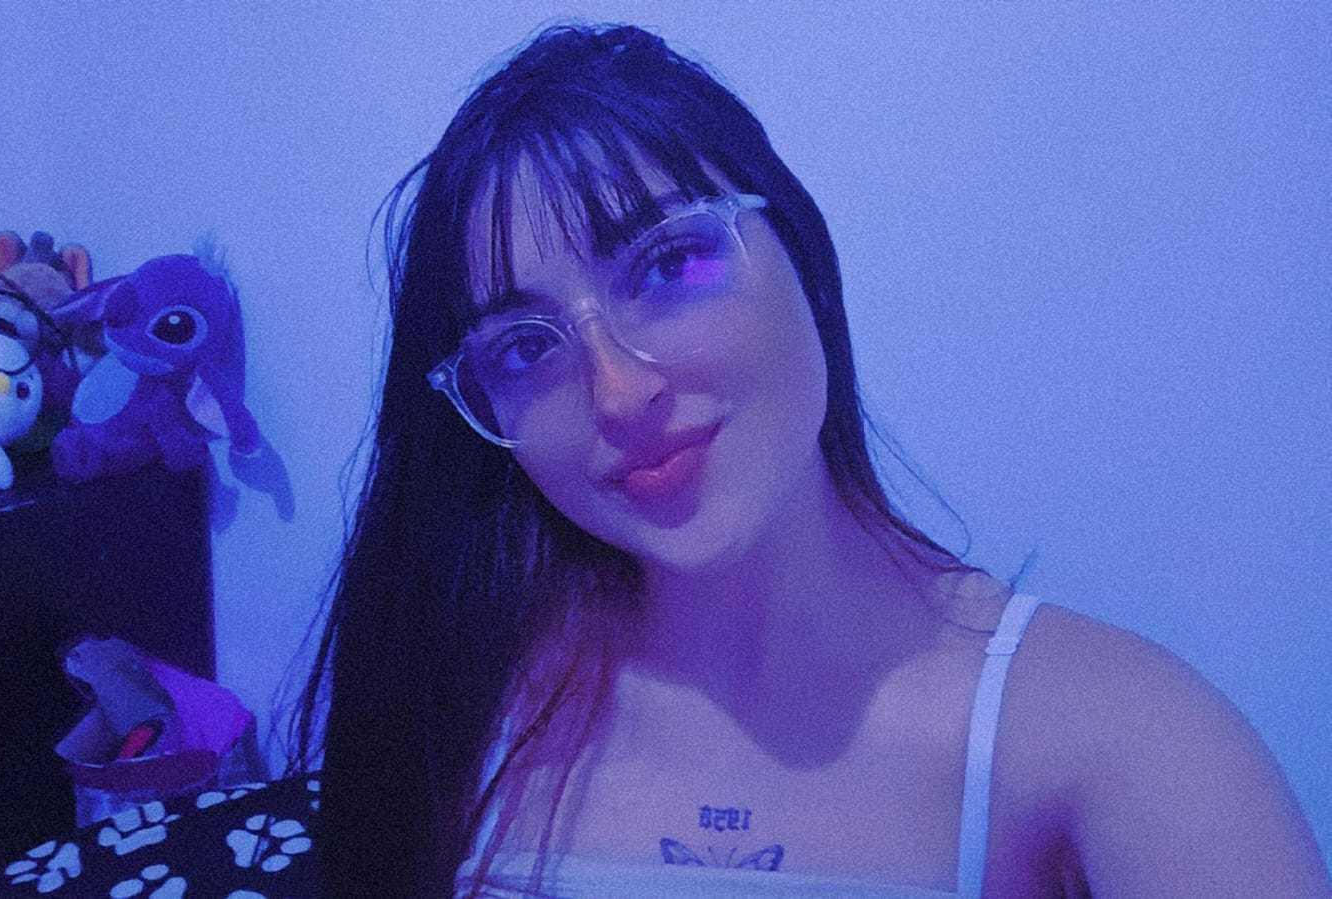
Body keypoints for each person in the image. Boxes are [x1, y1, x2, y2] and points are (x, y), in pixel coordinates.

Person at [286, 21, 1330, 898]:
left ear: (803, 258)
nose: (618, 391)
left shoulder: (1110, 735)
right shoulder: (463, 698)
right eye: (524, 347)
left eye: (669, 262)